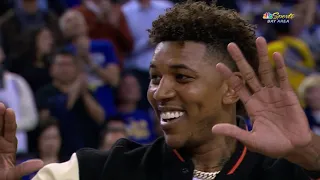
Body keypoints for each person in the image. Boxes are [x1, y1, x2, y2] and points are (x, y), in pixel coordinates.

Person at [1, 2, 320, 180]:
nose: (159, 92)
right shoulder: (100, 171)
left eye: (181, 77)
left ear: (231, 88)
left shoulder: (289, 175)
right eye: (154, 77)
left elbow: (283, 17)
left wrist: (310, 156)